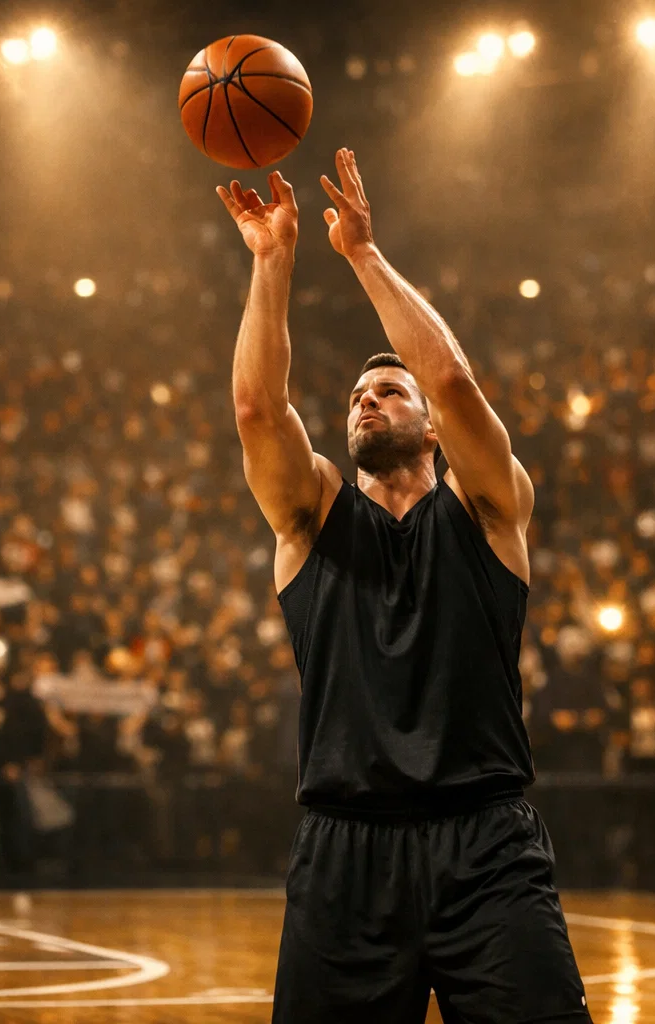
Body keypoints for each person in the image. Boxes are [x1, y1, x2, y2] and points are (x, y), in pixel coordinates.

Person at [218, 149, 591, 1023]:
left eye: (388, 390)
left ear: (429, 425)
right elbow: (255, 412)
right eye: (355, 395)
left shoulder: (489, 505)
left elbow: (455, 381)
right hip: (347, 850)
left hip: (487, 844)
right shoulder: (310, 514)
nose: (365, 401)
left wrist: (362, 255)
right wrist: (272, 262)